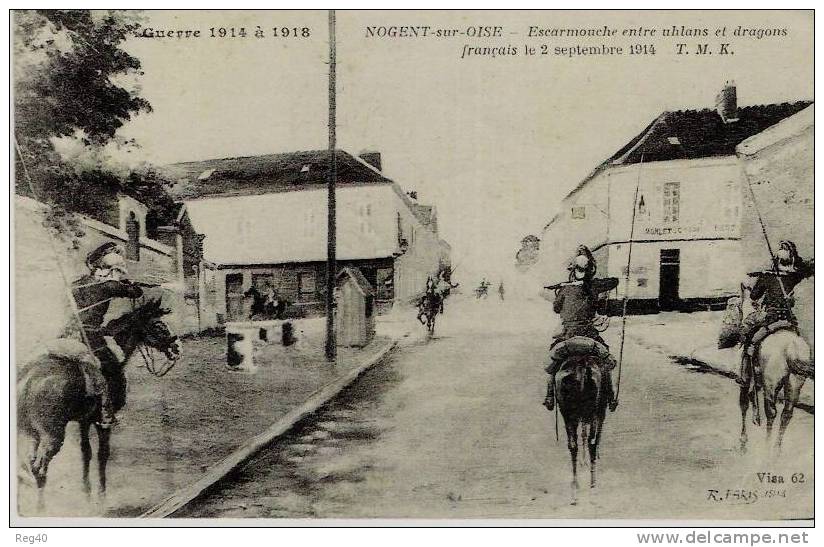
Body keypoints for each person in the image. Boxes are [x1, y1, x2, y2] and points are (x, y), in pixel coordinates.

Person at [63, 242, 143, 428]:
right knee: (113, 370)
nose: (117, 274)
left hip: (67, 333)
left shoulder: (78, 283)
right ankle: (106, 414)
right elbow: (135, 293)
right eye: (116, 270)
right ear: (109, 269)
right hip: (90, 337)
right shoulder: (108, 286)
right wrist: (129, 283)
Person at [543, 246, 619, 412]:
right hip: (589, 336)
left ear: (573, 269)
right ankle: (611, 397)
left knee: (552, 364)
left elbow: (556, 309)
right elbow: (614, 281)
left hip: (568, 336)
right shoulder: (594, 286)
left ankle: (549, 396)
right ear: (590, 269)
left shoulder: (565, 288)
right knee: (607, 361)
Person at [737, 240, 814, 388]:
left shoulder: (768, 276)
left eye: (782, 249)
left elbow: (753, 296)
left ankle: (745, 375)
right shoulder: (796, 276)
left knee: (749, 339)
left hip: (771, 319)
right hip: (790, 320)